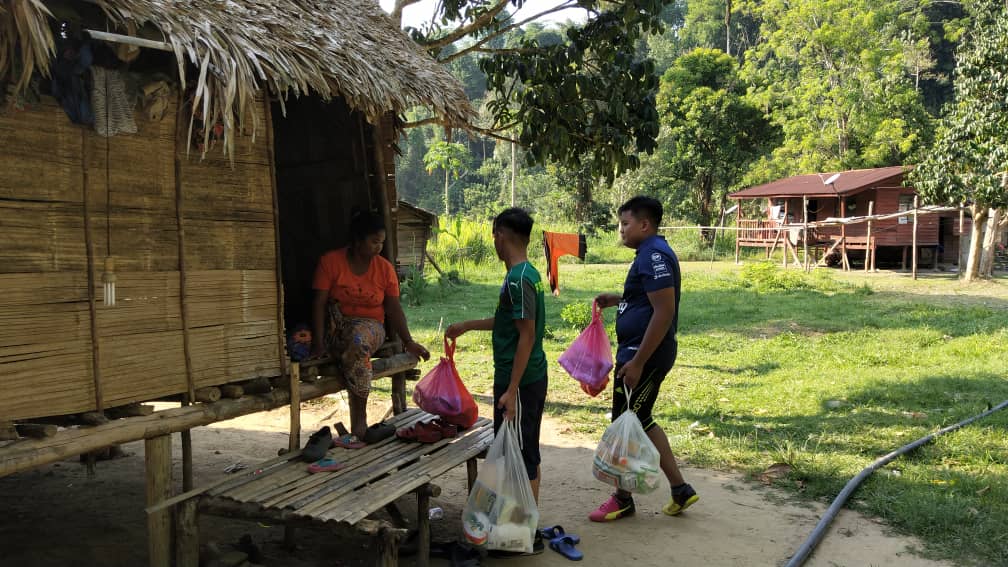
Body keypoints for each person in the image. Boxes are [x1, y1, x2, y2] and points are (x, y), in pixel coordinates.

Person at [589, 196, 699, 522]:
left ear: (644, 224)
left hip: (645, 356)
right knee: (640, 420)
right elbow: (650, 299)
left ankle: (623, 498)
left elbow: (665, 311)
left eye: (625, 224)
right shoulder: (650, 254)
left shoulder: (654, 255)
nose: (621, 230)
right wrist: (620, 299)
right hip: (640, 353)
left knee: (627, 424)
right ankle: (680, 489)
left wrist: (637, 363)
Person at [446, 207, 548, 553]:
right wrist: (467, 325)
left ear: (501, 235)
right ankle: (518, 525)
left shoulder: (519, 279)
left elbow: (527, 336)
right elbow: (508, 322)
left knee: (522, 455)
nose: (493, 241)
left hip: (519, 379)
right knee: (518, 452)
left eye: (494, 235)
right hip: (524, 376)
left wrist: (511, 390)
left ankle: (523, 533)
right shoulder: (525, 274)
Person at [310, 210, 430, 446]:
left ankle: (360, 423)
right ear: (357, 240)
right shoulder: (331, 262)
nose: (379, 247)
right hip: (336, 327)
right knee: (350, 342)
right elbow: (319, 303)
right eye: (374, 242)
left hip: (370, 327)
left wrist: (408, 341)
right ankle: (360, 428)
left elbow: (393, 309)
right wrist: (318, 343)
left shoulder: (384, 269)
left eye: (381, 242)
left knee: (357, 344)